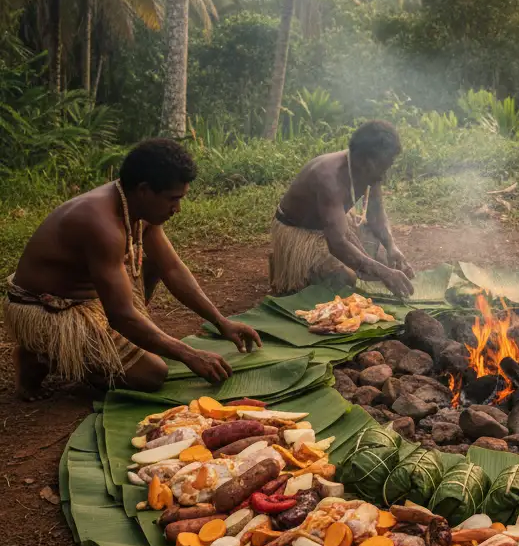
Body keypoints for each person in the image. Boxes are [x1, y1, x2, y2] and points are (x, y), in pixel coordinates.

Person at [5, 139, 260, 399]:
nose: (178, 209)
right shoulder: (100, 224)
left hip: (89, 298)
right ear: (144, 190)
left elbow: (171, 267)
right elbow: (121, 315)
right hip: (49, 308)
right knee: (151, 375)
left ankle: (65, 351)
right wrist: (188, 354)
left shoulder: (135, 206)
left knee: (152, 266)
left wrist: (221, 322)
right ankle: (41, 352)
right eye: (173, 199)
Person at [269, 120, 414, 298]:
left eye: (387, 167)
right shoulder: (329, 177)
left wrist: (392, 247)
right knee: (346, 279)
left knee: (386, 261)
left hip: (334, 225)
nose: (384, 175)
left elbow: (376, 215)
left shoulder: (370, 170)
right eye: (383, 166)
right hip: (303, 234)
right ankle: (286, 264)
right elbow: (337, 244)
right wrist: (383, 273)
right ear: (364, 160)